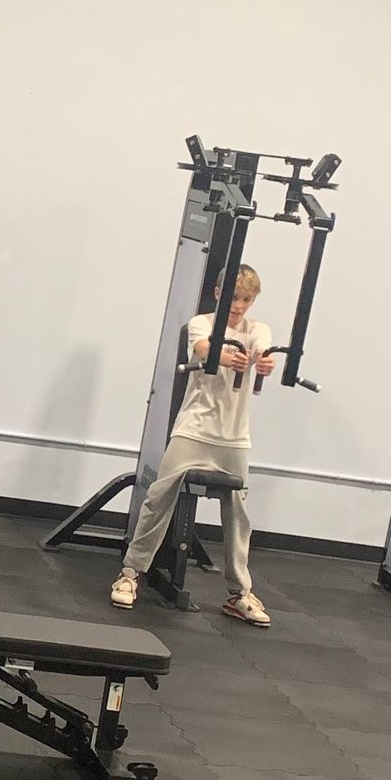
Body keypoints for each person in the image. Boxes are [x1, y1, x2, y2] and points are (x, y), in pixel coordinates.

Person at [112, 265, 275, 627]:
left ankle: (239, 594)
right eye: (233, 298)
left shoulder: (257, 329)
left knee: (238, 514)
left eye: (246, 299)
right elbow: (203, 348)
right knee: (159, 498)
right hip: (194, 430)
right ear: (218, 294)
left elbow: (264, 354)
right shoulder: (201, 323)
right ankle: (131, 574)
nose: (239, 306)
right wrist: (220, 354)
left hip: (234, 437)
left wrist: (263, 362)